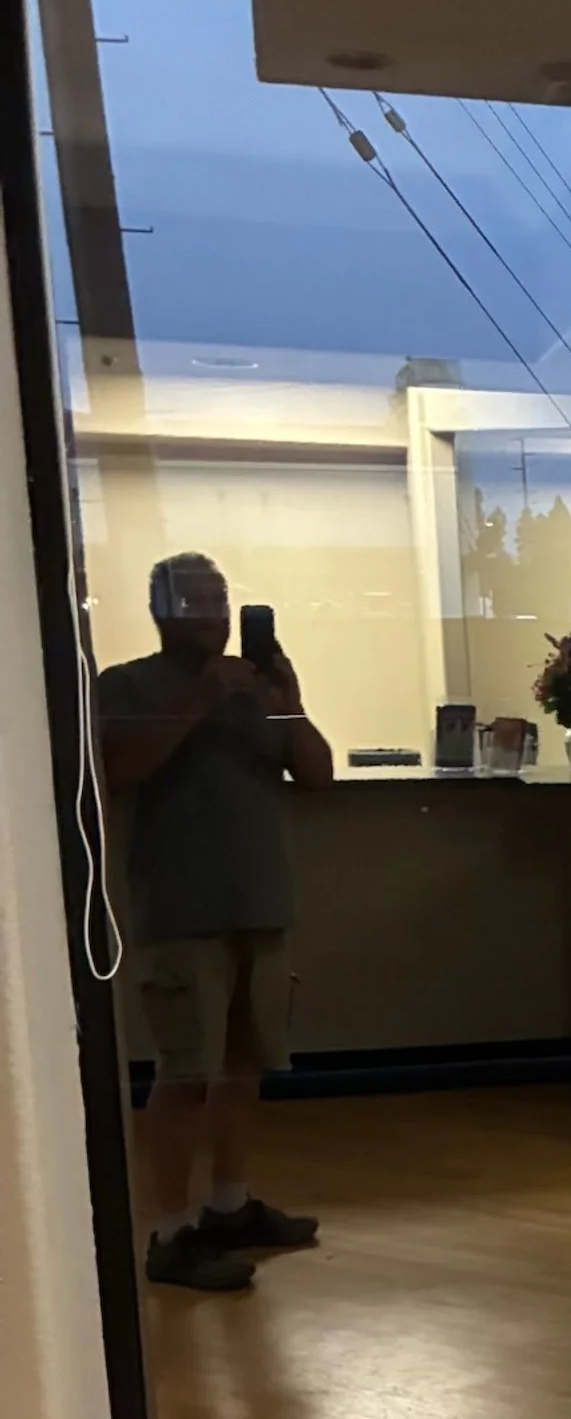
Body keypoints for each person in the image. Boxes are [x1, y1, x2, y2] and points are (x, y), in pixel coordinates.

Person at [97, 552, 334, 1292]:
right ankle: (169, 1234)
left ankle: (229, 1207)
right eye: (195, 600)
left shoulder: (254, 689)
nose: (214, 613)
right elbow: (121, 767)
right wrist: (200, 697)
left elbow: (319, 775)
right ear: (161, 611)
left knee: (243, 1067)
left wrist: (287, 701)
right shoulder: (126, 684)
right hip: (182, 912)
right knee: (184, 1074)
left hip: (260, 907)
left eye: (221, 599)